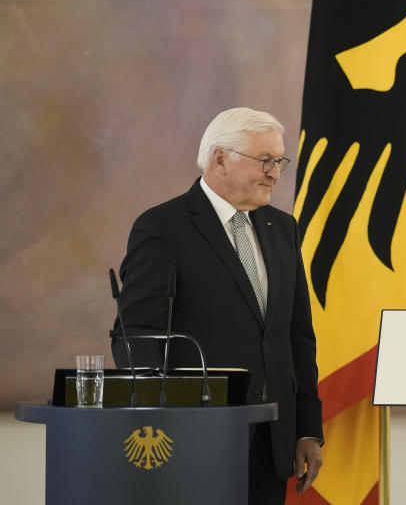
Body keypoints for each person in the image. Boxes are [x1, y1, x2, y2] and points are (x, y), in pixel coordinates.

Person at [110, 107, 324, 505]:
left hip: (273, 442)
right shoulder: (163, 228)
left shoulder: (284, 229)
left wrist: (307, 429)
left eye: (279, 161)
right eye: (265, 161)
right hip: (195, 442)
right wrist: (165, 419)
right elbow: (135, 335)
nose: (275, 172)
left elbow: (297, 337)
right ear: (220, 158)